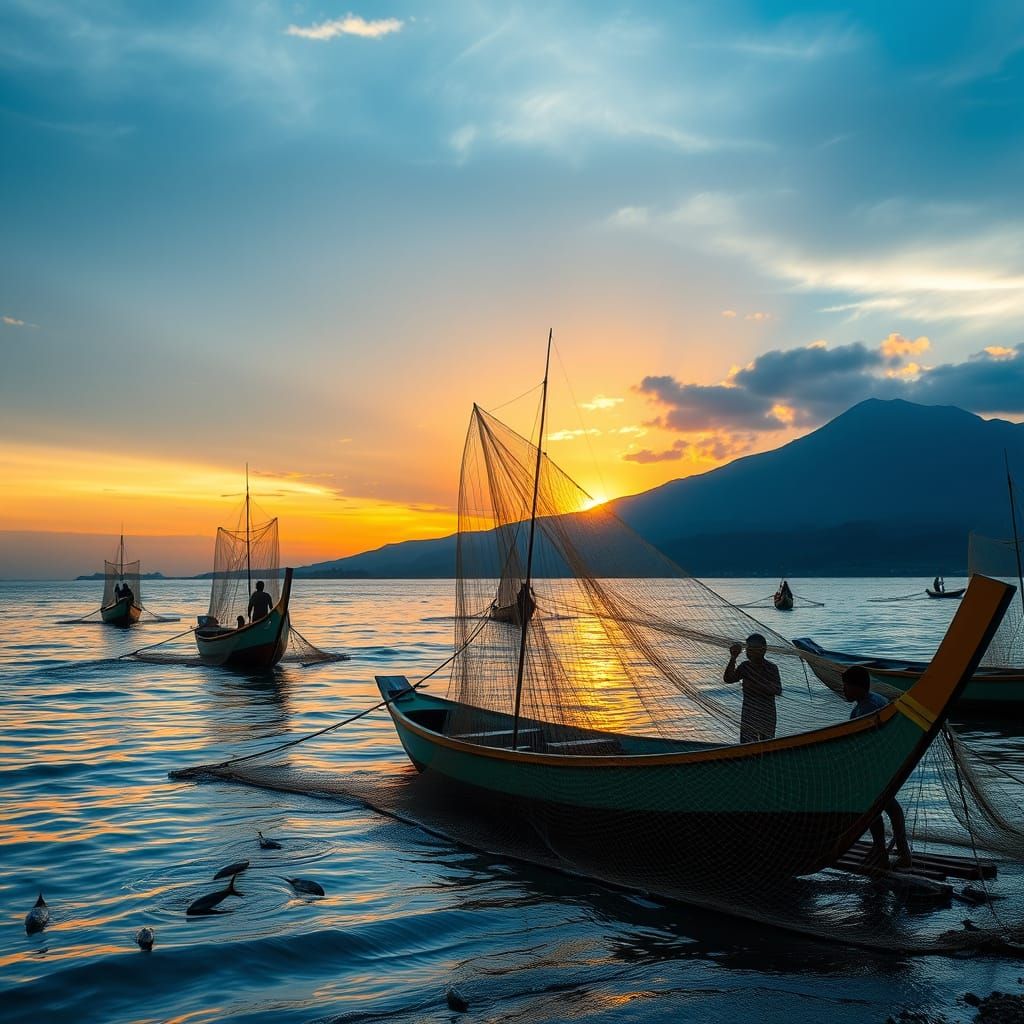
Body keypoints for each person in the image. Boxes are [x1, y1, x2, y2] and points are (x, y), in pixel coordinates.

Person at [841, 665, 912, 869]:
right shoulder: (871, 701)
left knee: (873, 807)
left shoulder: (869, 707)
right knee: (887, 804)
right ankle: (897, 850)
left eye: (846, 686)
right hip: (880, 764)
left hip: (873, 766)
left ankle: (883, 852)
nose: (843, 690)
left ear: (856, 687)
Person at [724, 633, 782, 743]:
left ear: (763, 650)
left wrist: (756, 686)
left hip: (767, 714)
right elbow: (728, 679)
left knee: (767, 745)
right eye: (749, 649)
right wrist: (733, 657)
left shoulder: (771, 668)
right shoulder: (745, 667)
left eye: (754, 649)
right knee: (747, 745)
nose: (750, 652)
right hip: (749, 714)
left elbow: (777, 690)